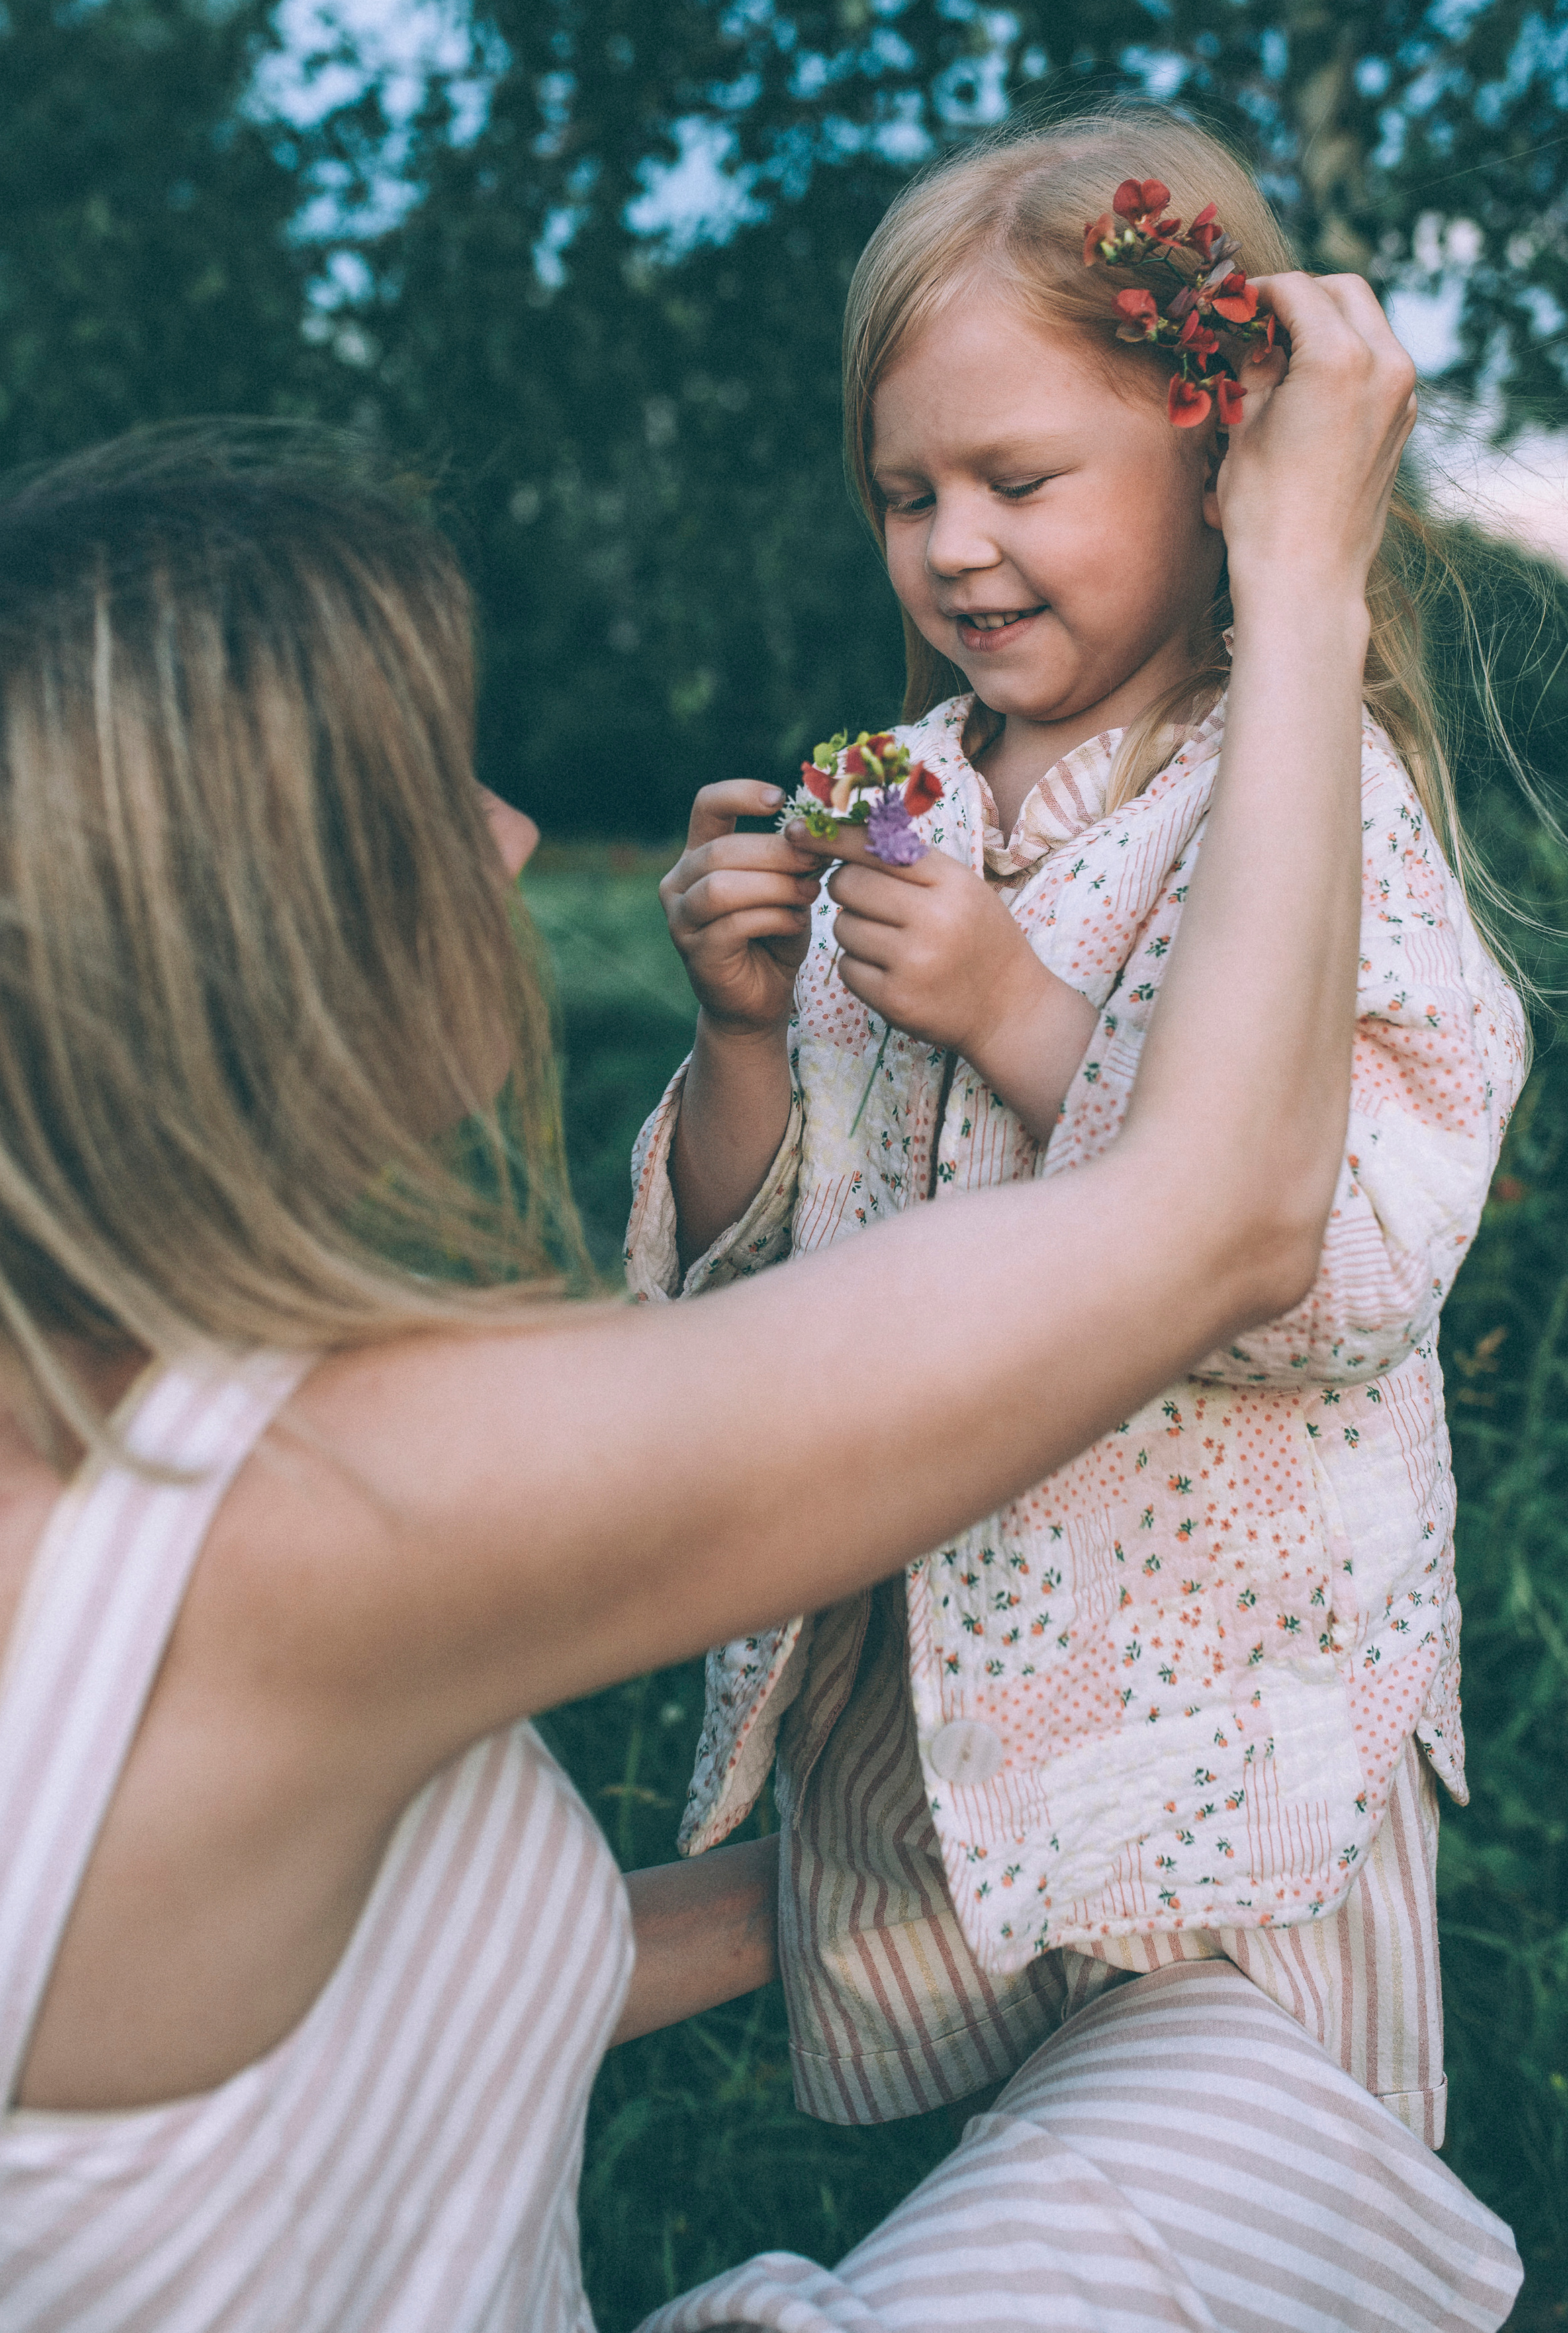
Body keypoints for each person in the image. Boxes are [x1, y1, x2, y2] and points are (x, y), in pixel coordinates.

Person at [0, 329, 1516, 2333]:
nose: (514, 838)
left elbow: (307, 1986)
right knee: (1267, 2152)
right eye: (427, 790)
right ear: (249, 948)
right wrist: (1312, 566)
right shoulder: (318, 1513)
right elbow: (1233, 1214)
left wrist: (1031, 1828)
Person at [633, 107, 1525, 2157]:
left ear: (1220, 461)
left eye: (1019, 480)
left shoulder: (1305, 809)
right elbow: (747, 1282)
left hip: (1227, 1752)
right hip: (928, 1740)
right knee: (990, 2203)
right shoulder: (894, 797)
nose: (954, 545)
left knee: (1238, 2220)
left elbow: (1351, 1262)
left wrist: (1026, 1015)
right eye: (903, 493)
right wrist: (749, 1029)